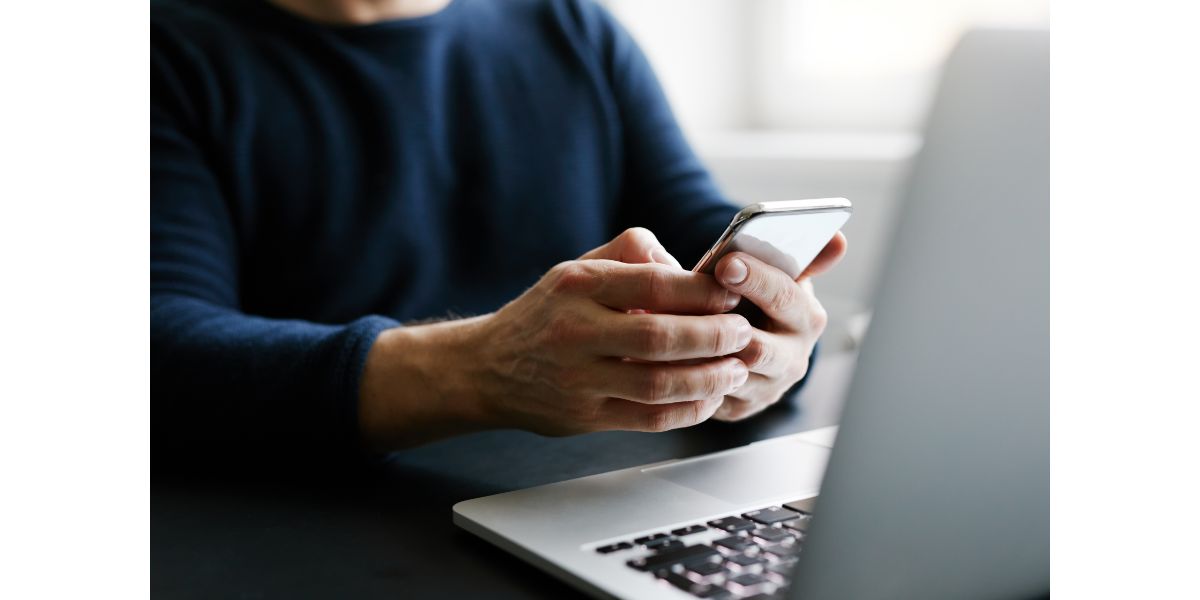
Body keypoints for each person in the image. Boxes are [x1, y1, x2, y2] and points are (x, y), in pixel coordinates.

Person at [151, 0, 847, 464]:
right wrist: (477, 372)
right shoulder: (163, 48)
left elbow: (697, 226)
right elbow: (160, 347)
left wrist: (766, 337)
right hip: (307, 524)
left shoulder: (567, 24)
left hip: (589, 494)